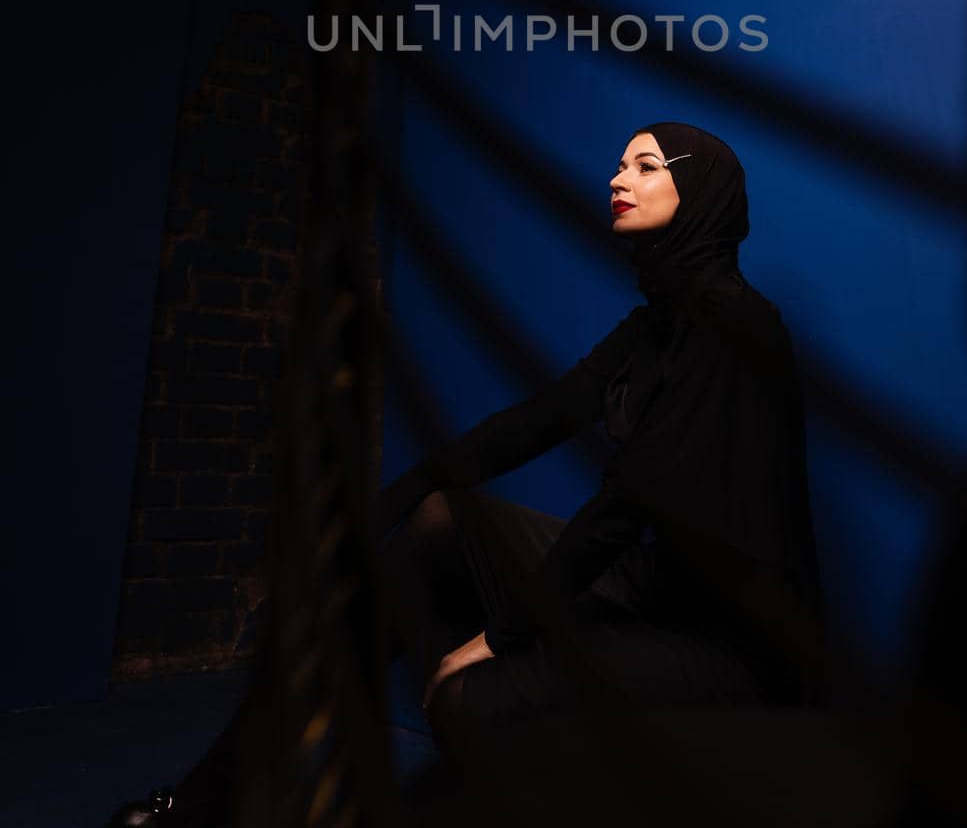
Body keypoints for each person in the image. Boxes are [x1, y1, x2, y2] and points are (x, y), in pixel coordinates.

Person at [108, 120, 825, 820]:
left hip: (733, 637)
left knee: (466, 694)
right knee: (439, 520)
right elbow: (532, 424)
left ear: (698, 193)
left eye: (644, 166)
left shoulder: (734, 327)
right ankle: (216, 796)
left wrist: (502, 634)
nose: (616, 178)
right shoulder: (654, 326)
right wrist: (381, 510)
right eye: (618, 163)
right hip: (661, 585)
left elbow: (625, 502)